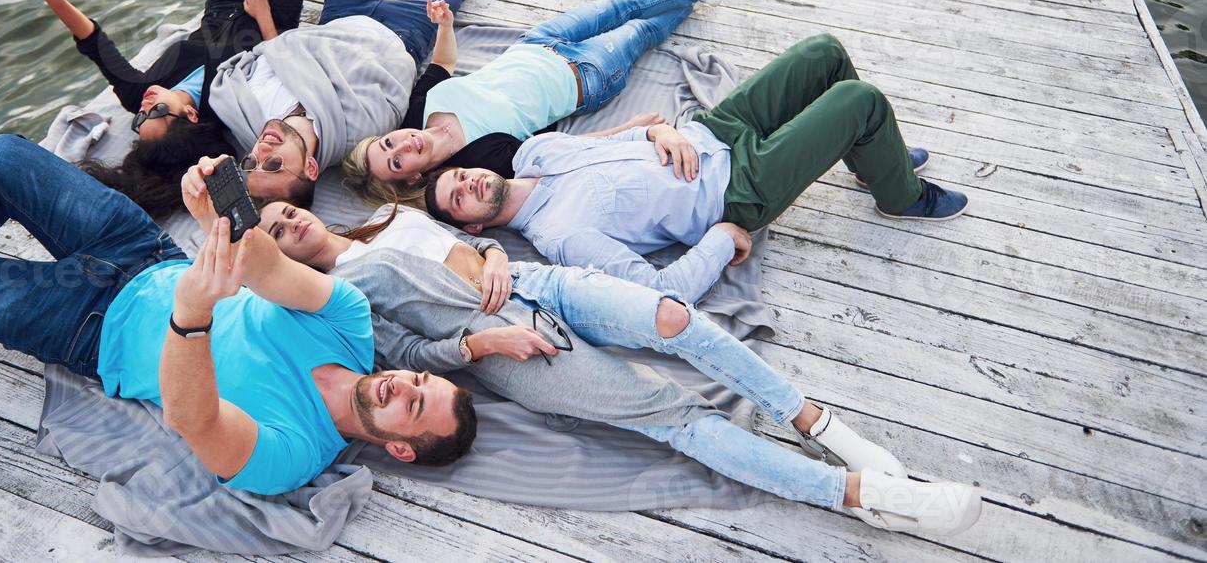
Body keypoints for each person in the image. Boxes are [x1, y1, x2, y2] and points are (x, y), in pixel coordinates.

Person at [251, 197, 981, 536]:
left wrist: (500, 253)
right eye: (277, 233)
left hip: (532, 281)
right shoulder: (339, 302)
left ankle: (813, 417)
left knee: (675, 318)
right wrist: (483, 346)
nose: (289, 223)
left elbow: (462, 238)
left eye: (285, 211)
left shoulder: (379, 215)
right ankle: (857, 494)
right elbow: (409, 357)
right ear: (279, 256)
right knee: (676, 418)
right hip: (505, 344)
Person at [0, 136, 477, 496]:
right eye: (422, 383)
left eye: (416, 407)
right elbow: (270, 270)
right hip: (140, 250)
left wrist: (190, 320)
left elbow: (195, 420)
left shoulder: (294, 456)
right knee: (3, 156)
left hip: (85, 328)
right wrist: (222, 215)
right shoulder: (352, 326)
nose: (406, 386)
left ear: (399, 447)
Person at [425, 34, 968, 302]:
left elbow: (622, 135)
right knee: (858, 98)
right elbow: (661, 290)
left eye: (460, 175)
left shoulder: (534, 154)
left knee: (822, 54)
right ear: (473, 226)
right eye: (460, 197)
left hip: (714, 130)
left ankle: (878, 161)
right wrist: (721, 238)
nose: (469, 181)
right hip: (735, 188)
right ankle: (900, 194)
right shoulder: (560, 236)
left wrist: (659, 130)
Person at [340, 0, 728, 206]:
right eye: (396, 162)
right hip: (584, 76)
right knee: (640, 29)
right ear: (410, 179)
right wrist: (634, 130)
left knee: (619, 5)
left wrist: (444, 25)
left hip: (536, 42)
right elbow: (560, 153)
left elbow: (442, 64)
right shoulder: (478, 164)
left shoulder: (416, 110)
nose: (403, 145)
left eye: (389, 143)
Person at [5, 0, 315, 216]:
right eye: (156, 112)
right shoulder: (226, 104)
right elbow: (280, 65)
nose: (144, 106)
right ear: (191, 117)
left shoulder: (138, 91)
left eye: (139, 120)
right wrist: (265, 16)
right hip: (272, 15)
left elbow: (93, 40)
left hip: (222, 6)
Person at [197, 0, 521, 206]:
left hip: (342, 14)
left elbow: (277, 49)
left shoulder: (246, 108)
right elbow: (397, 83)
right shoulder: (358, 136)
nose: (262, 152)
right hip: (403, 35)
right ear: (311, 168)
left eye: (250, 161)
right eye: (273, 165)